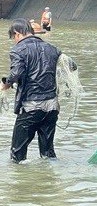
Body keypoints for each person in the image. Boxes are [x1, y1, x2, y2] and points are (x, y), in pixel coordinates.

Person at [1, 19, 62, 163]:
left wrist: (5, 84)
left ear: (17, 34)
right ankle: (49, 179)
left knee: (17, 155)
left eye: (13, 38)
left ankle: (21, 182)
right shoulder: (52, 48)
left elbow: (16, 73)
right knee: (48, 153)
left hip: (31, 107)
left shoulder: (18, 50)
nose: (14, 41)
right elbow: (71, 66)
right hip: (52, 107)